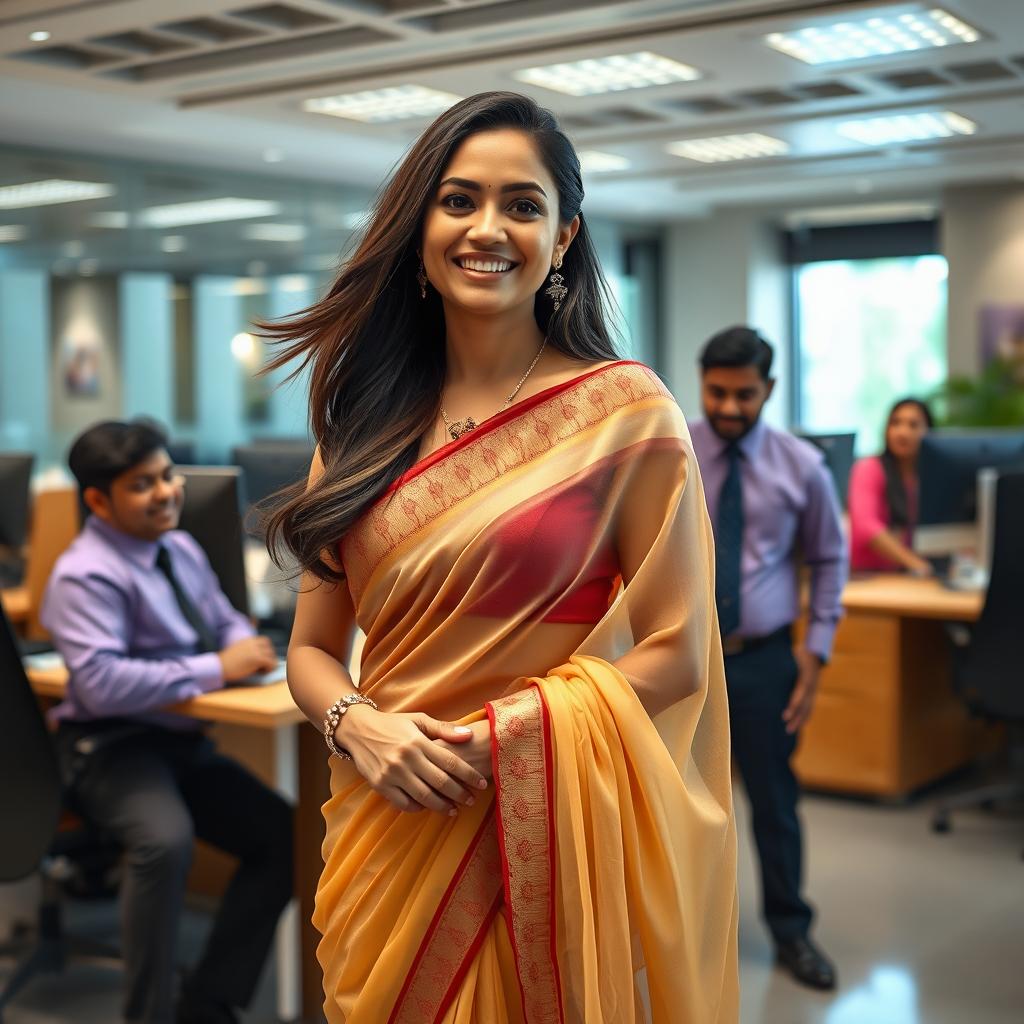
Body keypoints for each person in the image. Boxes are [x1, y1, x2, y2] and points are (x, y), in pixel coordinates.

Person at [261, 92, 739, 1022]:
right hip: (387, 822)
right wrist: (360, 726)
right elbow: (312, 651)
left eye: (523, 205)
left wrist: (504, 741)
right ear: (420, 230)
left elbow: (679, 653)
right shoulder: (357, 429)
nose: (488, 228)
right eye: (459, 200)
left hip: (544, 827)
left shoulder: (625, 416)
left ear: (563, 238)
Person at [41, 419, 293, 1024]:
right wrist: (216, 667)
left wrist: (241, 645)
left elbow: (224, 618)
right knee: (164, 840)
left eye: (167, 475)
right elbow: (100, 684)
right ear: (98, 500)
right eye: (142, 484)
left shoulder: (178, 548)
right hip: (109, 749)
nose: (166, 492)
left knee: (284, 834)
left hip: (179, 743)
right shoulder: (84, 574)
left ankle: (205, 1003)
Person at [689, 326, 847, 991]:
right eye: (716, 392)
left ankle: (791, 931)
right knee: (680, 802)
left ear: (769, 389)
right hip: (683, 661)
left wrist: (815, 654)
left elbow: (829, 559)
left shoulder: (801, 466)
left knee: (774, 803)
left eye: (744, 395)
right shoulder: (674, 450)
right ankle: (685, 935)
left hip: (763, 660)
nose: (729, 407)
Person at [848, 398, 934, 574]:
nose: (902, 432)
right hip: (869, 575)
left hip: (912, 576)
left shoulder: (930, 477)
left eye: (913, 425)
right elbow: (866, 526)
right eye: (895, 423)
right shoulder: (869, 468)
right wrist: (915, 563)